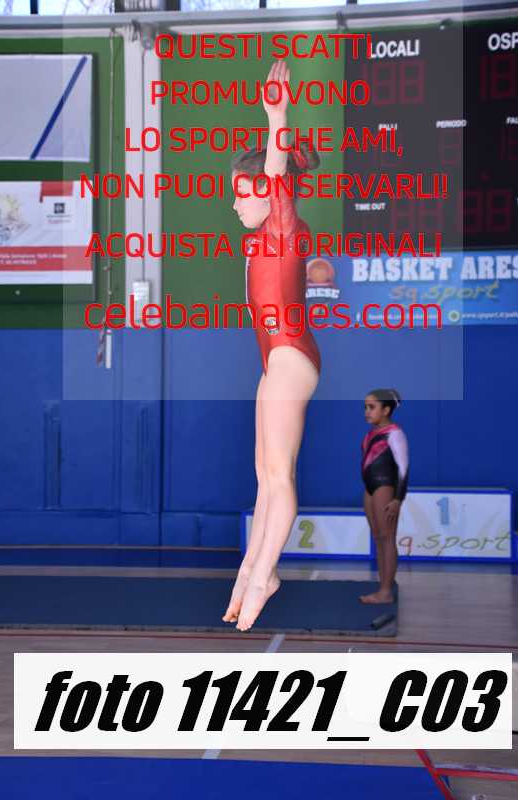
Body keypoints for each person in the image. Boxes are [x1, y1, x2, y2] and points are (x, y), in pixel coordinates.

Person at [222, 60, 320, 631]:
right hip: (274, 361)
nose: (235, 205)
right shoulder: (263, 236)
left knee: (279, 475)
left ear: (267, 193)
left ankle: (265, 576)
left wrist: (277, 116)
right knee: (265, 475)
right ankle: (252, 569)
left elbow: (277, 170)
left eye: (242, 194)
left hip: (291, 355)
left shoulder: (282, 226)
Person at [360, 388, 409, 604]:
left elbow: (403, 469)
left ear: (386, 410)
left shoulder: (394, 434)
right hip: (370, 488)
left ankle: (386, 591)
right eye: (365, 407)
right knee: (378, 538)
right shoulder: (370, 434)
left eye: (372, 407)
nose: (367, 412)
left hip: (385, 487)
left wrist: (398, 499)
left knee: (387, 538)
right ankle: (383, 587)